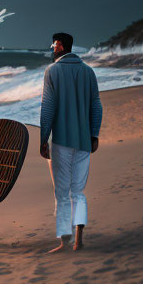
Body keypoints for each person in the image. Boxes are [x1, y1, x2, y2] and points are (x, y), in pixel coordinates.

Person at [39, 32, 103, 253]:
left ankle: (64, 242)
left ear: (61, 45)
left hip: (61, 142)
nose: (52, 49)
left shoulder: (52, 72)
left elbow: (47, 108)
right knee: (78, 192)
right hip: (84, 141)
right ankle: (79, 240)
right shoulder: (88, 71)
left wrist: (43, 138)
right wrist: (94, 135)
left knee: (62, 192)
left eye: (54, 45)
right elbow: (96, 105)